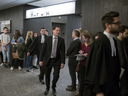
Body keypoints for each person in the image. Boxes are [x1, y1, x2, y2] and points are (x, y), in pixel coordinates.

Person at [84, 11, 121, 96]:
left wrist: (117, 81)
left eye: (119, 22)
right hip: (103, 86)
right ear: (107, 25)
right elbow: (94, 68)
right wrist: (98, 91)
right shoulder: (100, 43)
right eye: (117, 23)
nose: (120, 25)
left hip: (113, 84)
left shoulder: (114, 41)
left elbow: (114, 64)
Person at [39, 26, 65, 96]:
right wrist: (40, 60)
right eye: (57, 30)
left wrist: (63, 62)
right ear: (53, 31)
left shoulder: (61, 40)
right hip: (48, 60)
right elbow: (43, 50)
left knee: (56, 76)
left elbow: (62, 52)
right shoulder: (47, 39)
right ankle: (47, 88)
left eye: (59, 30)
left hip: (57, 60)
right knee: (47, 75)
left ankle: (53, 87)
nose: (58, 32)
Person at [76, 30, 94, 96]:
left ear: (89, 37)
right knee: (81, 78)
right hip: (82, 63)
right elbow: (81, 50)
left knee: (88, 79)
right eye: (83, 38)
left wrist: (88, 54)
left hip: (89, 64)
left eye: (85, 38)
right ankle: (81, 92)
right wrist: (81, 52)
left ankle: (86, 92)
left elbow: (94, 54)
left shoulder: (92, 44)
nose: (84, 39)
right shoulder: (82, 43)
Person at [116, 25, 128, 96]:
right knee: (124, 90)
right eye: (126, 33)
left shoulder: (123, 42)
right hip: (120, 69)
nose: (127, 35)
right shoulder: (115, 42)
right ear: (120, 33)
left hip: (125, 68)